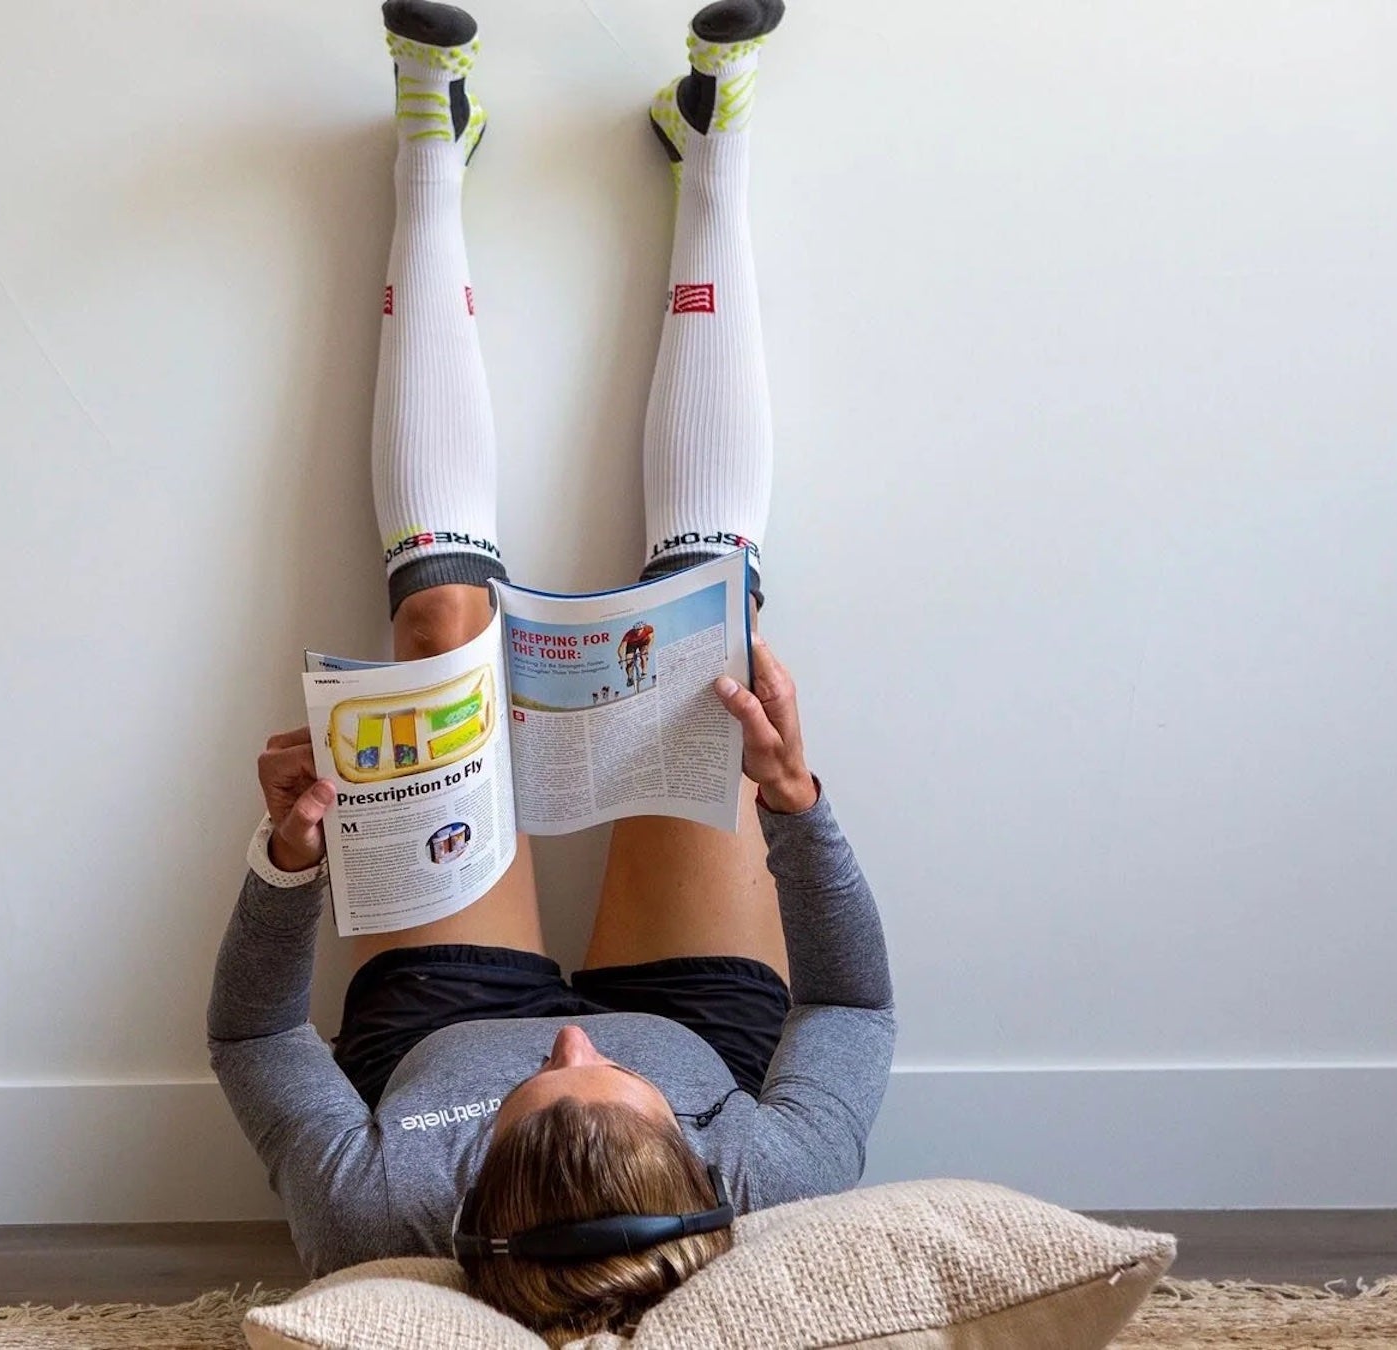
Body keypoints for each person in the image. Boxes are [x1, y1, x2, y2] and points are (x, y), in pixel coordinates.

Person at [208, 1, 894, 1339]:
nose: (569, 1042)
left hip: (439, 1016)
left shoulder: (376, 1204)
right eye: (604, 1076)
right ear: (694, 1163)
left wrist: (285, 867)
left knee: (438, 625)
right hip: (703, 1013)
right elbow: (853, 1003)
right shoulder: (775, 1173)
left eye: (543, 1085)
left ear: (472, 1190)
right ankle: (714, 147)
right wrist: (798, 806)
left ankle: (429, 148)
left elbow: (255, 1042)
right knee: (711, 634)